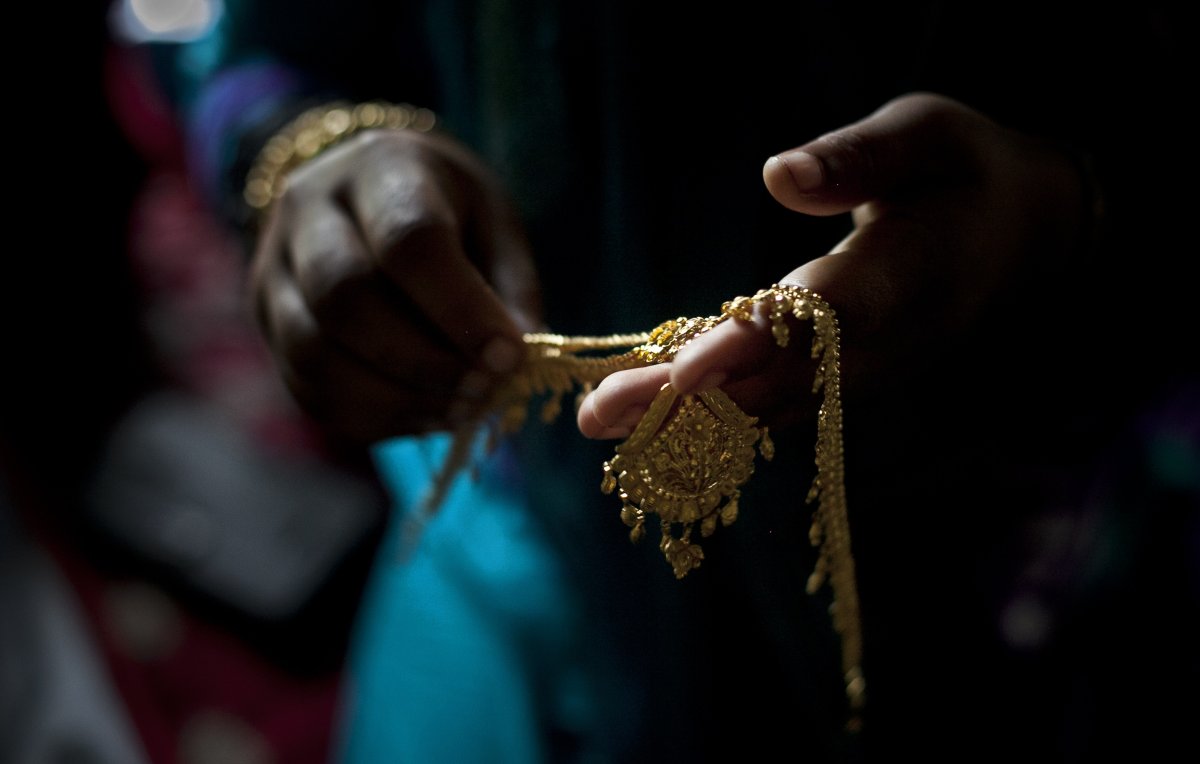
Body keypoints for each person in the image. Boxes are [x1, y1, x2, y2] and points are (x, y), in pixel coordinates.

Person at [167, 1, 1198, 761]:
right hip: (511, 526)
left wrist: (1075, 214)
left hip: (1014, 582)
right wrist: (302, 153)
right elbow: (266, 45)